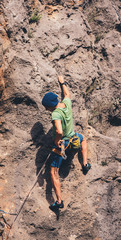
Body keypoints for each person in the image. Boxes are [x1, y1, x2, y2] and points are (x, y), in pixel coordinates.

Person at [42, 76, 91, 210]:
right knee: (83, 139)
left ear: (50, 106)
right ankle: (85, 164)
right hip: (73, 139)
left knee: (53, 172)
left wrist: (56, 141)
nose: (46, 109)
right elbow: (67, 94)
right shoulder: (66, 104)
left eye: (46, 107)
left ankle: (59, 201)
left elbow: (58, 131)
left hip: (62, 145)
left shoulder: (55, 114)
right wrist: (62, 82)